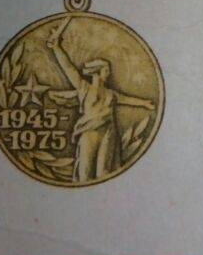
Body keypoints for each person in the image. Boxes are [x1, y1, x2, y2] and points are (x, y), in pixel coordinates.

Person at [46, 21, 156, 182]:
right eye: (106, 70)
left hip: (108, 133)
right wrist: (56, 48)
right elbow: (68, 68)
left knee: (104, 172)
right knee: (85, 172)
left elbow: (127, 99)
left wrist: (144, 103)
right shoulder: (84, 87)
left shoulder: (111, 93)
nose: (108, 73)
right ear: (97, 72)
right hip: (89, 132)